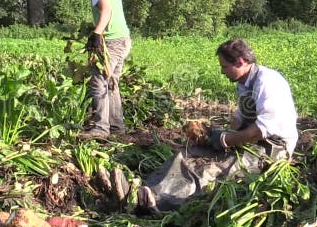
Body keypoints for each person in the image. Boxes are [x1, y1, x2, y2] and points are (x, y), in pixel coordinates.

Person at [103, 38, 298, 212]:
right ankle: (143, 191)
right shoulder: (244, 82)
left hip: (272, 147)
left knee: (214, 167)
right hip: (250, 138)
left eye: (224, 67)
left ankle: (157, 202)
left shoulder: (267, 81)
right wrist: (211, 135)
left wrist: (225, 140)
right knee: (190, 153)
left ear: (240, 62)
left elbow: (263, 130)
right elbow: (240, 119)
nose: (222, 72)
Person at [80, 0, 132, 139]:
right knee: (111, 83)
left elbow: (106, 10)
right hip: (124, 39)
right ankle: (117, 127)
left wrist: (96, 33)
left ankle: (101, 129)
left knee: (99, 82)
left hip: (112, 42)